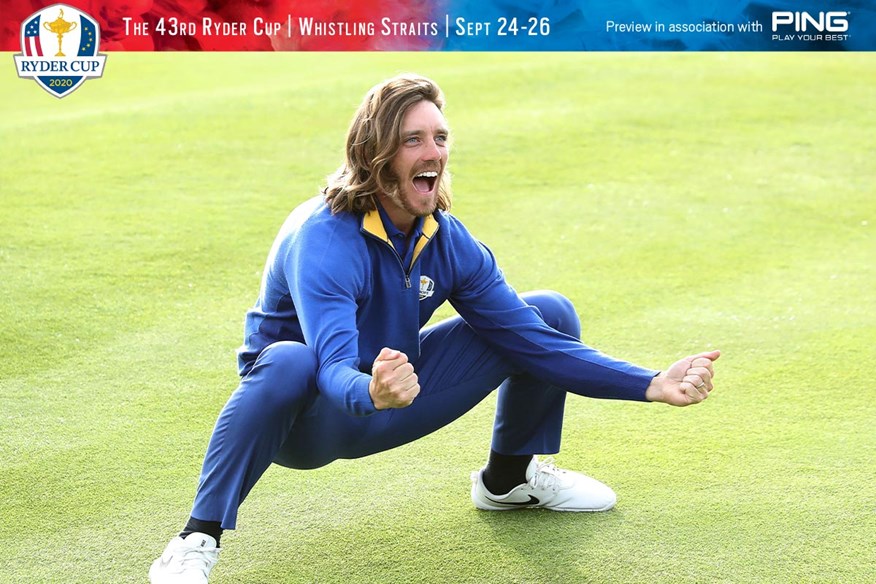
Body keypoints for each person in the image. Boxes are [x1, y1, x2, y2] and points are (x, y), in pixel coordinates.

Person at [149, 73, 720, 583]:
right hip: (306, 420)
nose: (434, 152)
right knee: (289, 359)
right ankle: (196, 539)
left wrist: (650, 383)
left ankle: (508, 481)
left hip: (399, 395)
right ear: (376, 152)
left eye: (441, 138)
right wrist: (370, 389)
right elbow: (330, 369)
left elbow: (534, 342)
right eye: (413, 139)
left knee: (546, 314)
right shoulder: (323, 239)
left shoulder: (445, 237)